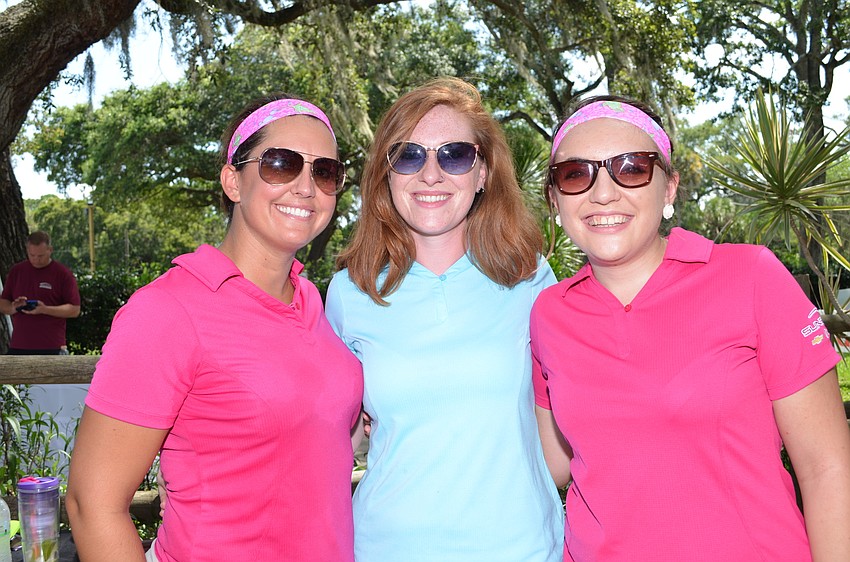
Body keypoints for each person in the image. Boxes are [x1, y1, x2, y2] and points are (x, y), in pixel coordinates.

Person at [532, 95, 850, 561]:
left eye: (631, 168)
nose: (603, 193)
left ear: (669, 188)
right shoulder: (549, 313)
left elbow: (828, 468)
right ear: (555, 199)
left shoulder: (750, 277)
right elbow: (552, 463)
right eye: (575, 174)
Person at [66, 95, 364, 562]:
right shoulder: (167, 312)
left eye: (325, 172)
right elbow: (91, 505)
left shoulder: (312, 302)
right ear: (233, 181)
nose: (306, 187)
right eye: (281, 164)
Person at [324, 77, 565, 562]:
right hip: (388, 550)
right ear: (386, 174)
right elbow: (333, 438)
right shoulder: (350, 292)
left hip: (524, 550)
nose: (430, 174)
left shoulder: (532, 281)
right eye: (408, 155)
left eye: (454, 155)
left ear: (483, 173)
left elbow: (564, 432)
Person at [0, 231, 80, 354]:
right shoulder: (17, 271)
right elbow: (3, 303)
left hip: (51, 346)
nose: (36, 259)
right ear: (27, 250)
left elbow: (74, 310)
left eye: (41, 256)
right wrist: (13, 307)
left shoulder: (62, 274)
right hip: (19, 346)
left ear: (50, 250)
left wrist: (44, 309)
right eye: (32, 255)